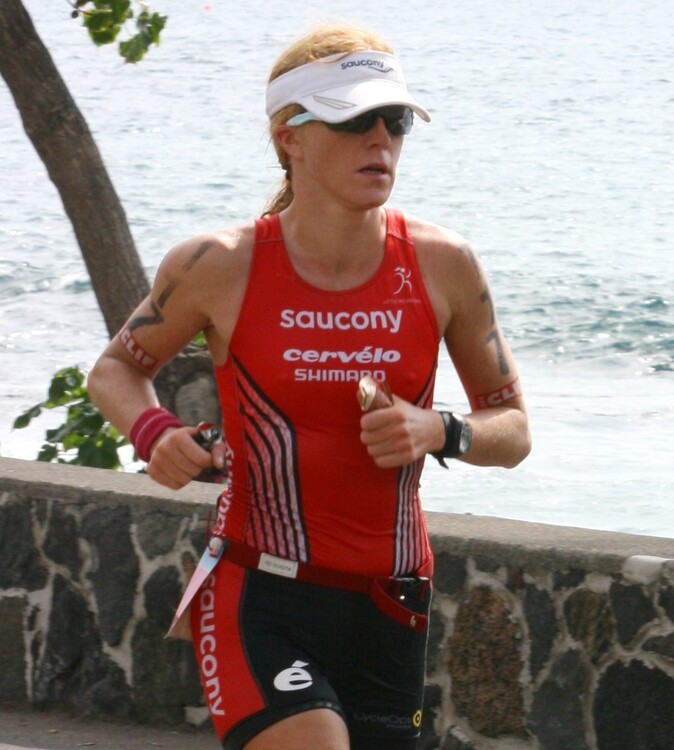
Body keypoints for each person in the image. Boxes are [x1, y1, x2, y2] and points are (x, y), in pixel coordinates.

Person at [87, 22, 531, 750]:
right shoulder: (218, 264)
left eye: (393, 121)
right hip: (260, 590)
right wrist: (155, 432)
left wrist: (440, 431)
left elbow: (512, 428)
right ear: (287, 136)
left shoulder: (444, 263)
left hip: (391, 597)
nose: (380, 141)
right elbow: (116, 370)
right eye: (353, 121)